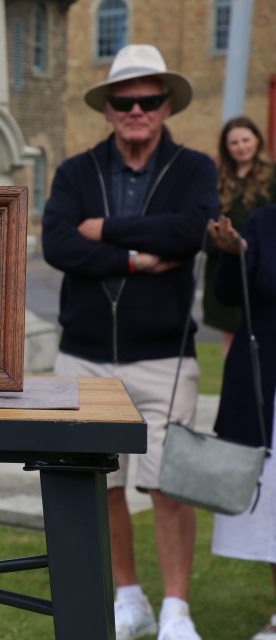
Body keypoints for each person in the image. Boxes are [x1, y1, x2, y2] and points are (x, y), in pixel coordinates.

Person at [41, 44, 218, 640]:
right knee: (104, 483)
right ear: (109, 108)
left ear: (166, 104)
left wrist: (107, 233)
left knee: (168, 484)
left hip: (164, 354)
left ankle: (176, 609)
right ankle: (128, 596)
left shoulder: (193, 168)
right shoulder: (75, 171)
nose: (136, 110)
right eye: (124, 101)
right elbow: (59, 244)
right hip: (86, 352)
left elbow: (192, 230)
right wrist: (140, 260)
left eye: (148, 100)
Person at [207, 209, 276, 640]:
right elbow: (230, 293)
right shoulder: (266, 222)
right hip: (270, 385)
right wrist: (232, 253)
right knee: (273, 507)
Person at [203, 116, 276, 356]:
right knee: (232, 343)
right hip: (225, 266)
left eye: (246, 140)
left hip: (263, 267)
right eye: (234, 142)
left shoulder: (272, 177)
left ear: (257, 140)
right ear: (226, 146)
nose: (241, 147)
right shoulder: (216, 180)